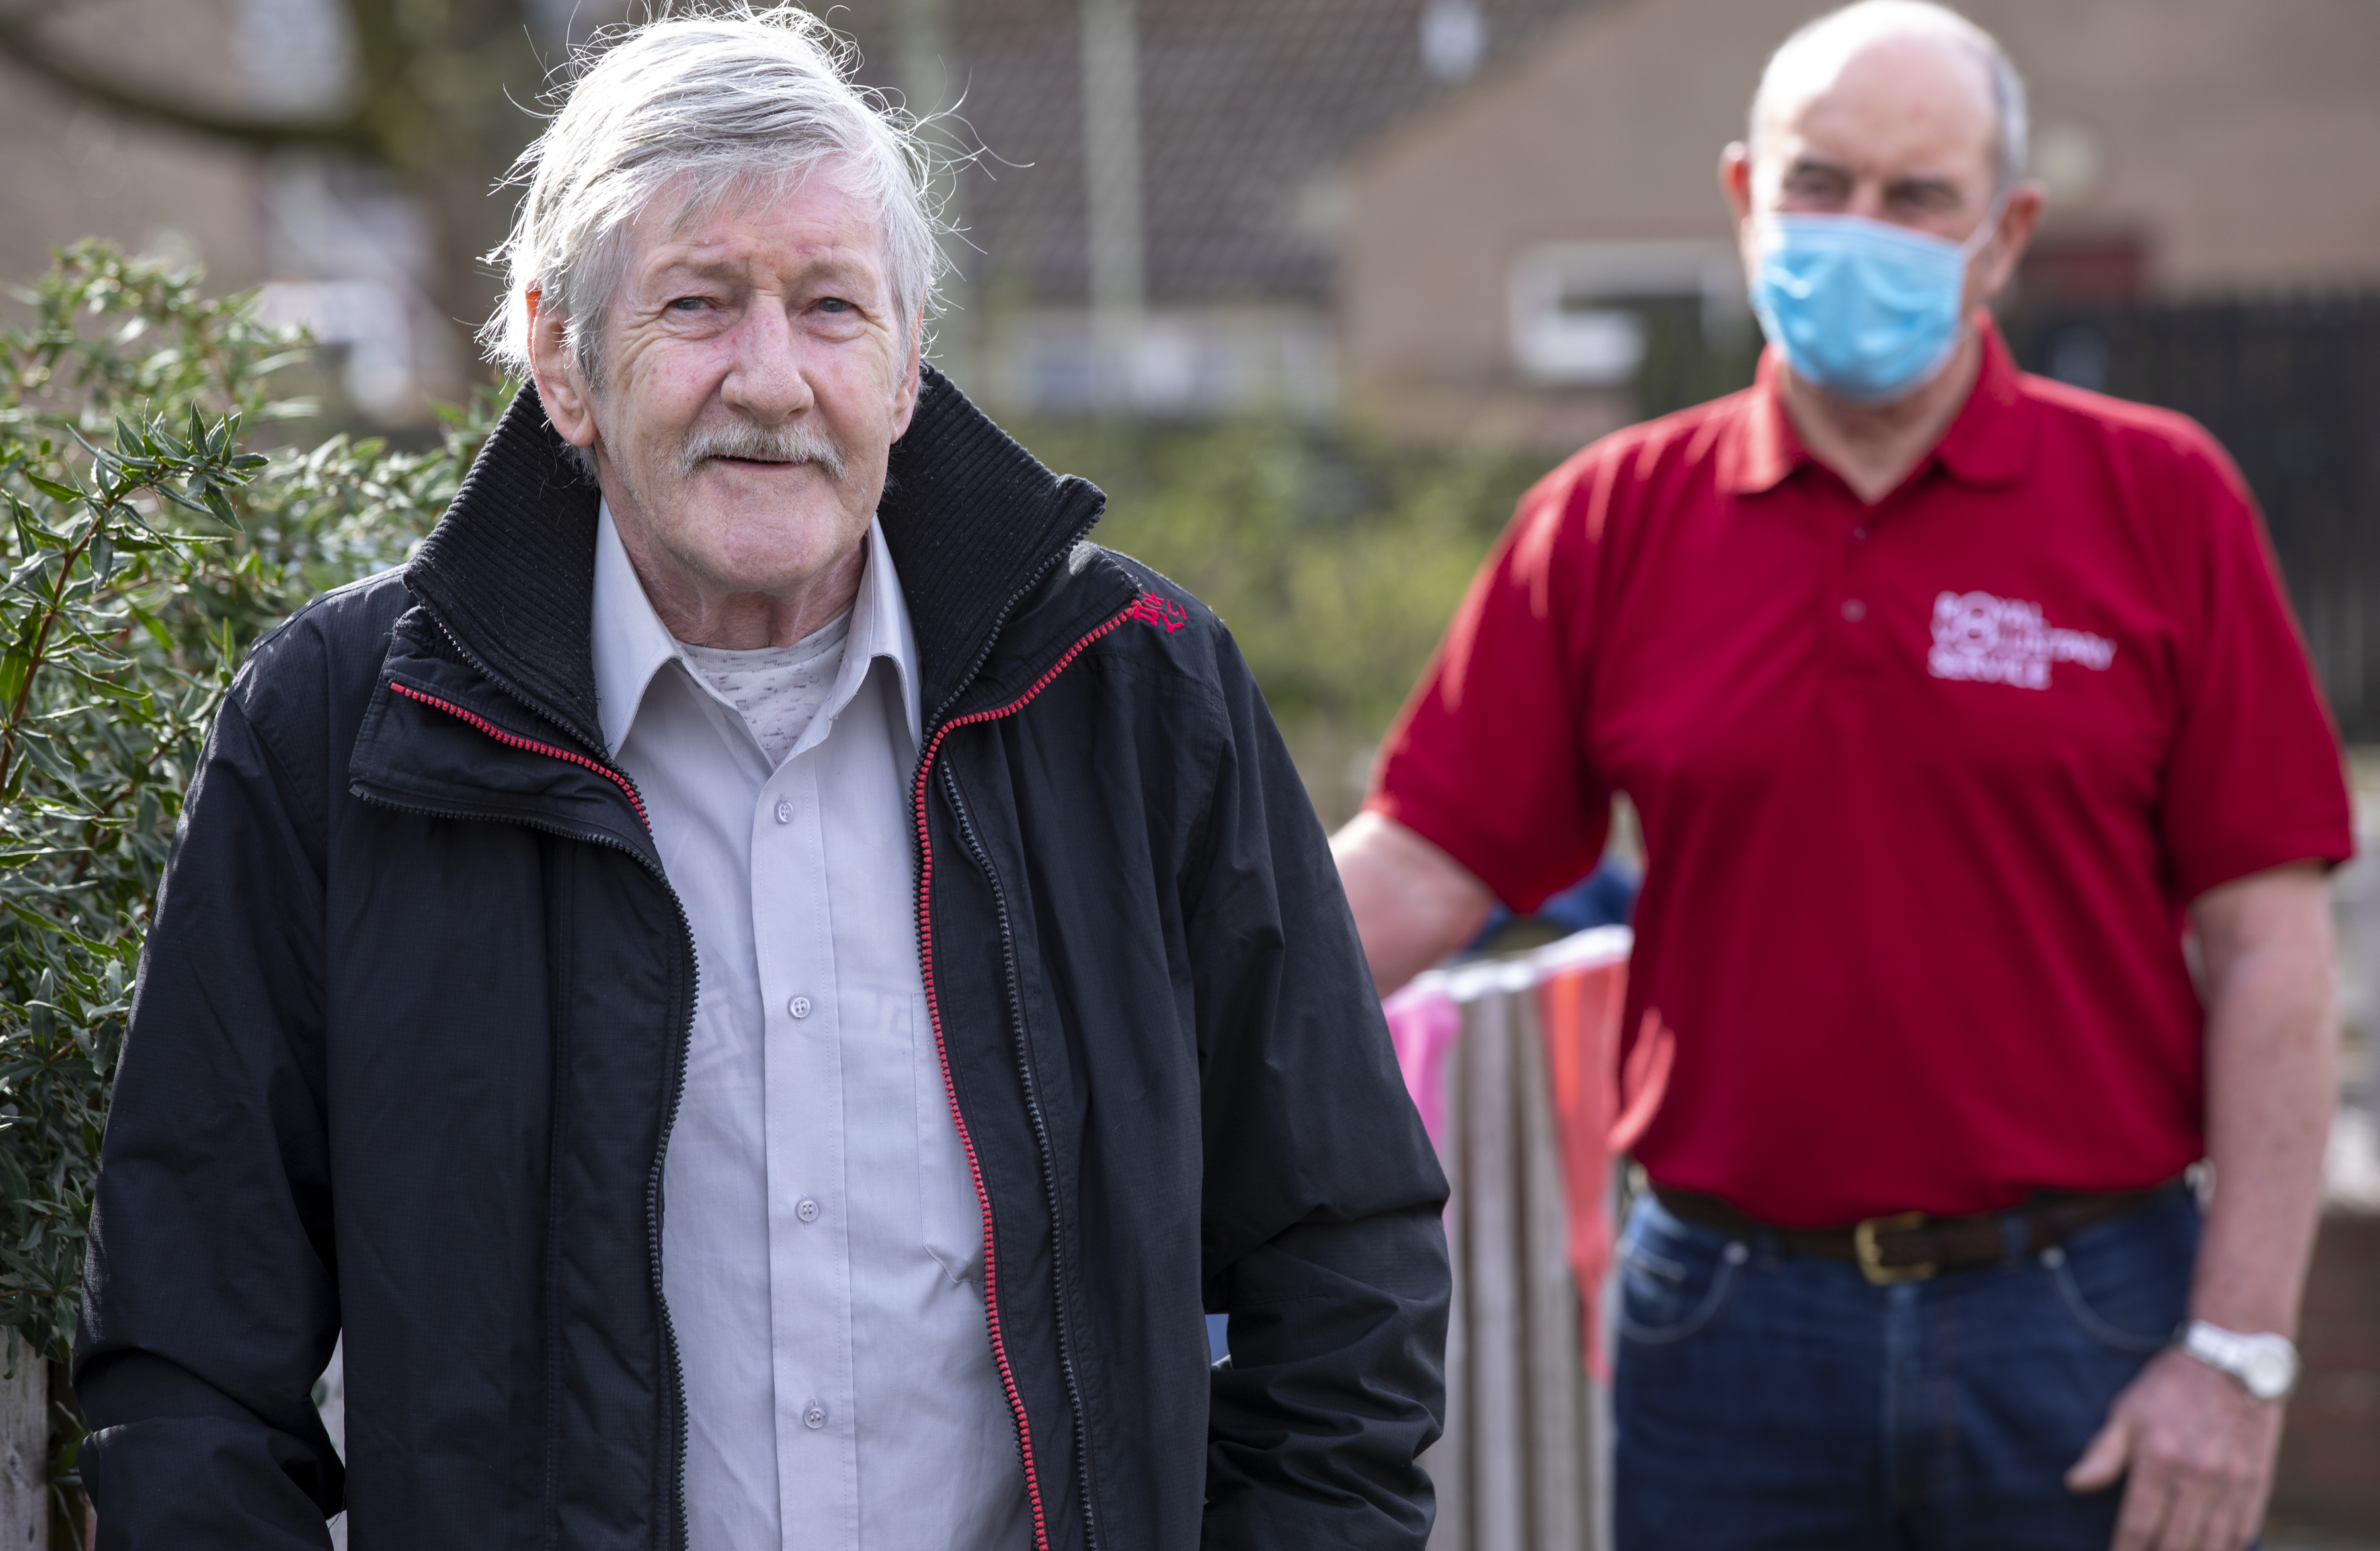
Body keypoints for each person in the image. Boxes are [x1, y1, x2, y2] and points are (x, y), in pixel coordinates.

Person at [72, 12, 1448, 1548]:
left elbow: (1344, 1253)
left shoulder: (1134, 692)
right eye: (699, 304)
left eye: (831, 307)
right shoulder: (343, 732)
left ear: (911, 363)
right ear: (561, 357)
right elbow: (193, 1345)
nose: (773, 379)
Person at [1334, 4, 2351, 1548]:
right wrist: (1137, 1006)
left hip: (2083, 1316)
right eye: (1821, 184)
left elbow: (2273, 949)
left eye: (1916, 197)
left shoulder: (2161, 502)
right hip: (1727, 1331)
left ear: (2004, 236)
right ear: (1747, 199)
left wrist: (2240, 1353)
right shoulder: (1611, 520)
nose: (1858, 230)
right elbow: (1417, 868)